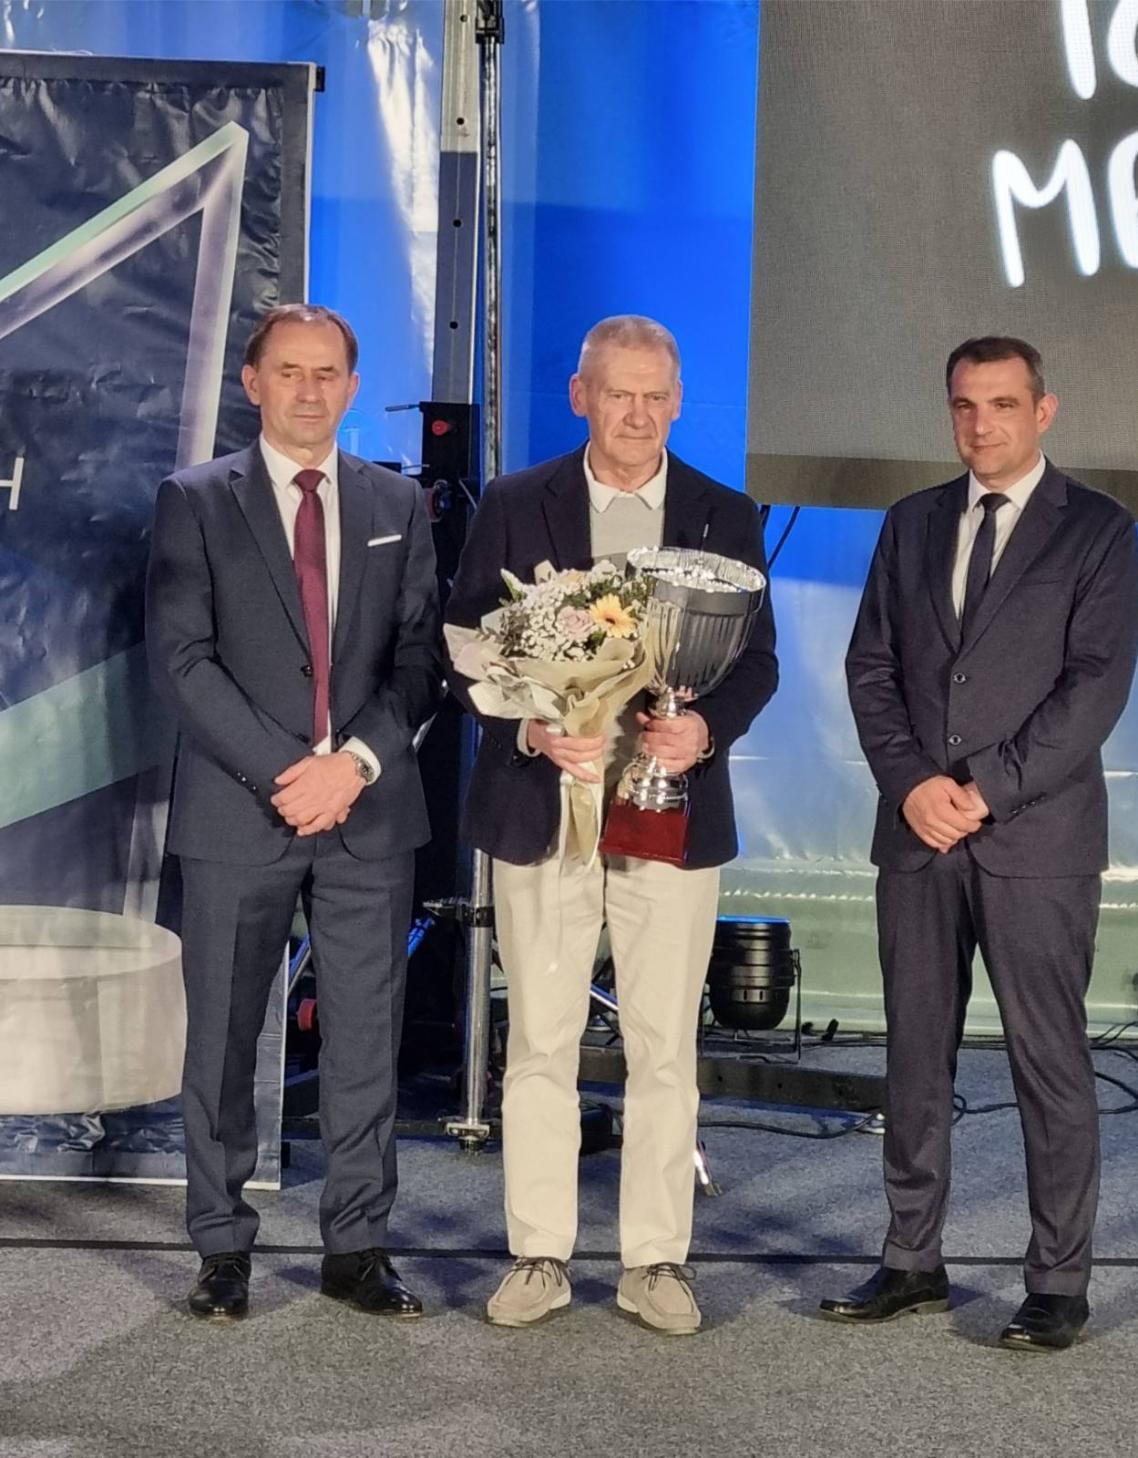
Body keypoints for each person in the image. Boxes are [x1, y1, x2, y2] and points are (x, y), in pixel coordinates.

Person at [445, 315, 778, 1334]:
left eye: (654, 396)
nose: (636, 414)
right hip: (543, 808)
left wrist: (704, 731)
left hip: (670, 815)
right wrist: (530, 729)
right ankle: (538, 1254)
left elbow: (758, 663)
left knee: (663, 1045)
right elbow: (466, 645)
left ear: (676, 403)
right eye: (617, 392)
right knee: (540, 1041)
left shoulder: (725, 513)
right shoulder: (514, 503)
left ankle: (656, 1262)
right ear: (580, 396)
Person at [828, 336, 1138, 1351]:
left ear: (1043, 410)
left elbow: (1093, 688)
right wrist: (913, 785)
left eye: (1003, 404)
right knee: (914, 1056)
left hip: (1036, 840)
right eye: (965, 405)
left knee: (1048, 1061)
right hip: (918, 834)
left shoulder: (1098, 528)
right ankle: (911, 1259)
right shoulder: (910, 522)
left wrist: (981, 790)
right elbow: (871, 667)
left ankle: (1057, 1281)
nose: (982, 424)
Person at [145, 303, 441, 1320]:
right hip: (241, 811)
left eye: (327, 373)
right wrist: (291, 772)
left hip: (368, 811)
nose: (310, 390)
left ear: (352, 388)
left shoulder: (398, 501)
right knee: (224, 1038)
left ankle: (357, 1248)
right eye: (290, 371)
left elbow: (420, 659)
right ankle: (221, 1248)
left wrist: (351, 765)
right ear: (252, 382)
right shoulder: (194, 501)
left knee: (365, 1038)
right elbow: (184, 661)